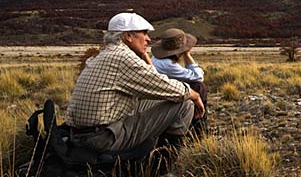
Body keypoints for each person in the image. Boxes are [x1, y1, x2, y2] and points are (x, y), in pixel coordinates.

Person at [65, 12, 205, 153]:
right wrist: (194, 95)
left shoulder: (105, 54)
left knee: (166, 98)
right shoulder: (123, 57)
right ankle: (164, 166)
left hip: (83, 133)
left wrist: (143, 54)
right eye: (144, 33)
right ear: (128, 36)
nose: (148, 39)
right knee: (184, 104)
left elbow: (155, 82)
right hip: (103, 137)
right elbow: (163, 85)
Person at [151, 28, 208, 135]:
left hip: (159, 93)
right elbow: (198, 76)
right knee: (199, 87)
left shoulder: (157, 59)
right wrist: (187, 55)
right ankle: (198, 128)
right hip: (161, 98)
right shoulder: (168, 65)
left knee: (196, 86)